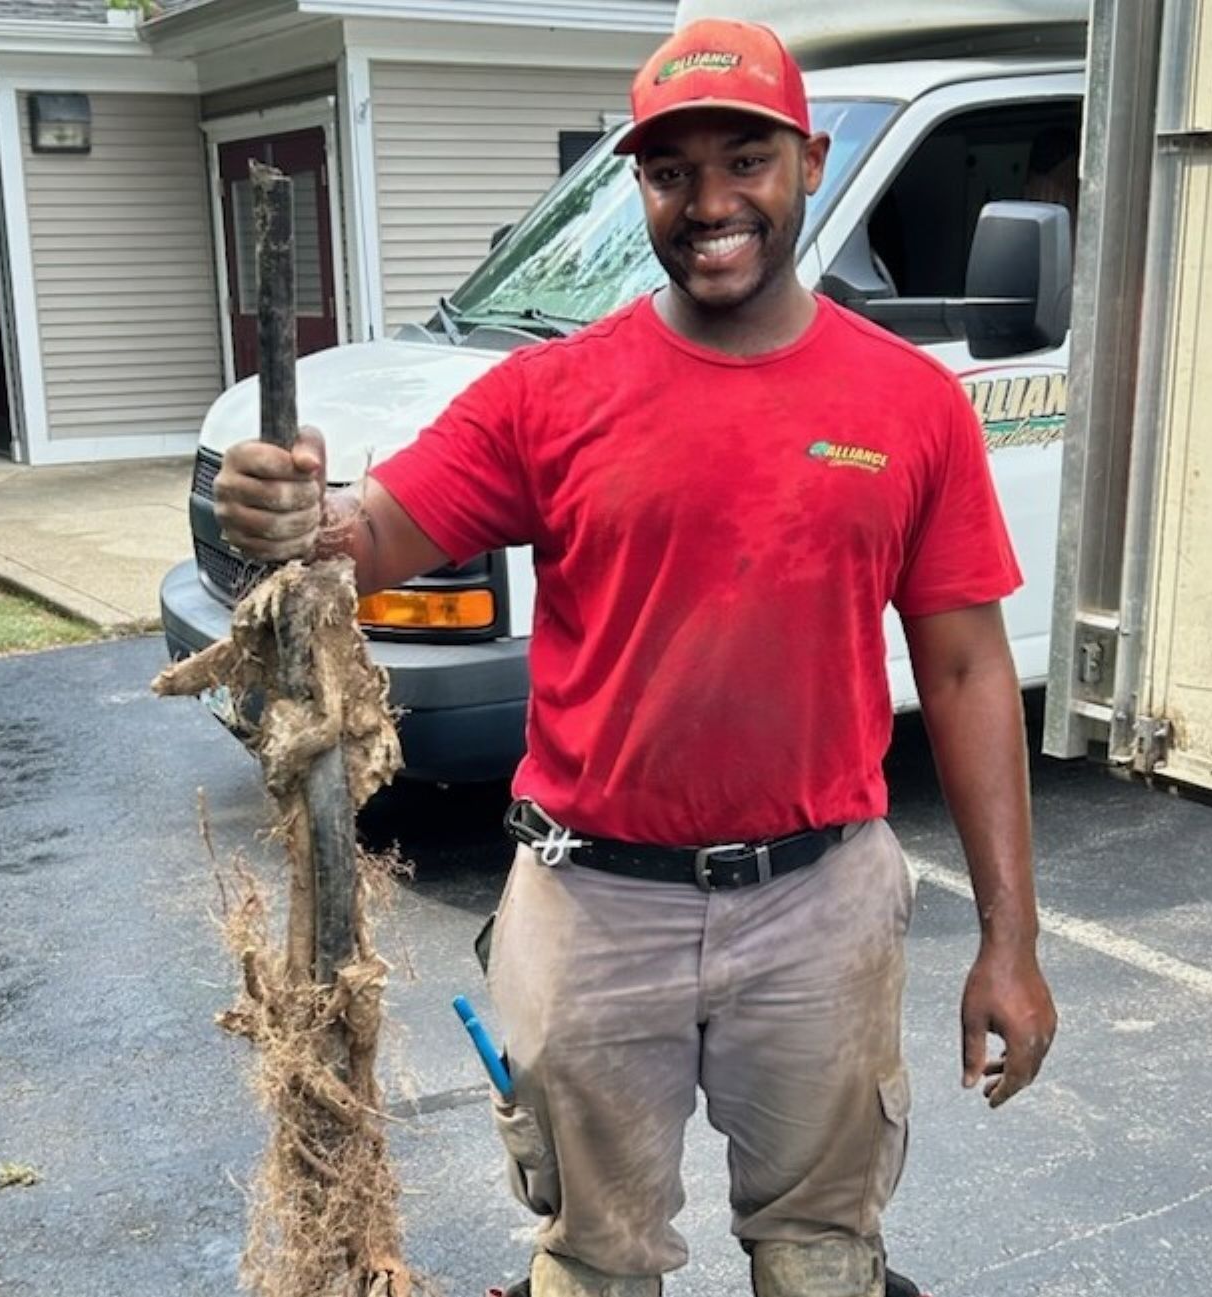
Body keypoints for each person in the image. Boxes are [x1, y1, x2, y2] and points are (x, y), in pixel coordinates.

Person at [212, 18, 1057, 1297]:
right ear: (638, 185)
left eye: (746, 160)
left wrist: (1011, 938)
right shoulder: (552, 395)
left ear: (809, 162)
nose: (711, 201)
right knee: (593, 1263)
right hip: (593, 902)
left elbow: (967, 674)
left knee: (824, 1256)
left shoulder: (909, 405)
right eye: (673, 172)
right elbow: (368, 536)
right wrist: (290, 518)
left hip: (819, 904)